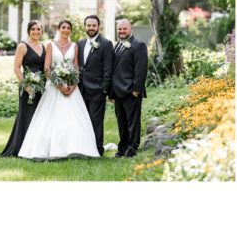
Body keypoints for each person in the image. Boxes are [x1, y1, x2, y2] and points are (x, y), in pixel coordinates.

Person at [18, 20, 99, 160]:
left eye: (68, 28)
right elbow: (47, 68)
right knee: (50, 120)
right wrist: (59, 84)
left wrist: (73, 86)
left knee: (74, 120)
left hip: (71, 89)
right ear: (59, 29)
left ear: (71, 30)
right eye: (63, 27)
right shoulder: (50, 45)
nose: (66, 30)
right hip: (53, 88)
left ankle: (75, 148)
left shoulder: (74, 46)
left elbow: (76, 67)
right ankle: (50, 149)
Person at [0, 21, 46, 157]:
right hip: (27, 87)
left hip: (41, 88)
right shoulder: (22, 46)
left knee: (39, 117)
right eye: (33, 29)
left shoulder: (44, 46)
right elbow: (16, 68)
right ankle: (19, 148)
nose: (36, 31)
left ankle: (35, 148)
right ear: (28, 30)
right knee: (26, 116)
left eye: (39, 29)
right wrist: (26, 85)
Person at [77, 15, 115, 155]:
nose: (91, 28)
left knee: (96, 121)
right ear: (85, 26)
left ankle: (97, 150)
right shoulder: (80, 44)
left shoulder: (106, 44)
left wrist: (104, 89)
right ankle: (84, 148)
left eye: (94, 25)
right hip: (81, 89)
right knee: (83, 120)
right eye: (89, 25)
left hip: (97, 90)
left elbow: (108, 69)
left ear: (98, 27)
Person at [110, 19, 148, 157]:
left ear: (130, 29)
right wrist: (111, 92)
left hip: (132, 91)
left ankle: (132, 149)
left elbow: (141, 69)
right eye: (119, 29)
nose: (121, 31)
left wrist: (137, 89)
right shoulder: (117, 46)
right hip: (118, 92)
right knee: (122, 123)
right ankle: (122, 148)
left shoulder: (139, 45)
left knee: (133, 122)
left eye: (124, 29)